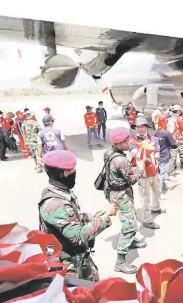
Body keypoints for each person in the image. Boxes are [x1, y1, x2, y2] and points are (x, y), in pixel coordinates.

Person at [39, 150, 115, 281]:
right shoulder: (55, 203)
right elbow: (79, 236)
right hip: (68, 266)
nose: (74, 173)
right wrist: (105, 216)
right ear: (63, 174)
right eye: (71, 170)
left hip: (77, 257)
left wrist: (91, 216)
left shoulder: (59, 191)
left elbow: (71, 217)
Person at [105, 127, 147, 274]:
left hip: (118, 192)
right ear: (118, 143)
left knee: (130, 219)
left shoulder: (110, 152)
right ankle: (120, 262)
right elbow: (132, 179)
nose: (129, 142)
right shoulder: (120, 160)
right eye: (126, 141)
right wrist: (141, 167)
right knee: (129, 225)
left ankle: (131, 242)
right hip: (121, 194)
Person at [130, 117, 164, 229]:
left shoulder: (153, 138)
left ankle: (156, 207)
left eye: (143, 127)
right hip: (143, 174)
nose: (140, 129)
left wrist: (157, 155)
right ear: (135, 128)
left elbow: (158, 149)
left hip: (154, 171)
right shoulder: (133, 141)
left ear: (147, 128)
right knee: (145, 198)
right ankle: (147, 220)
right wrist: (142, 154)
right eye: (138, 127)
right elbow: (134, 152)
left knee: (157, 192)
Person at [154, 114, 178, 192]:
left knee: (160, 171)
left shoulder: (156, 132)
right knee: (163, 173)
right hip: (164, 155)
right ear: (164, 122)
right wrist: (178, 142)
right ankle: (160, 191)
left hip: (157, 155)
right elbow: (173, 145)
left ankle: (163, 186)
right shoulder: (166, 133)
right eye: (167, 121)